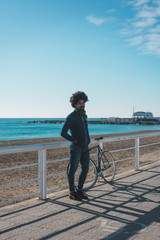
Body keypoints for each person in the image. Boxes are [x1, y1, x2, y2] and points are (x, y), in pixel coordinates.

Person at [61, 91, 90, 201]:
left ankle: (80, 190)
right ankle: (71, 192)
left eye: (83, 102)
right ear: (74, 104)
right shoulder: (71, 117)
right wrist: (74, 140)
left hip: (85, 147)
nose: (82, 104)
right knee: (72, 170)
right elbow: (63, 132)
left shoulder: (84, 115)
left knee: (85, 169)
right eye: (79, 103)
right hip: (76, 148)